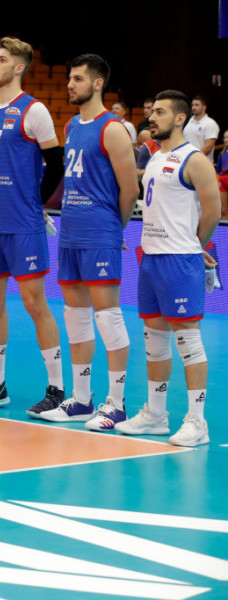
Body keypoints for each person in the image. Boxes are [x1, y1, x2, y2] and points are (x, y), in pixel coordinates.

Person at [0, 38, 65, 411]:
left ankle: (57, 389)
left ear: (19, 67)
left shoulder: (34, 110)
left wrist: (36, 203)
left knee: (35, 302)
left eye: (2, 60)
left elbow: (56, 164)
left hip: (23, 225)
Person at [35, 54, 138, 429]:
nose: (69, 84)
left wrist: (113, 229)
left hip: (99, 234)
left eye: (77, 78)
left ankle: (117, 404)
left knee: (108, 318)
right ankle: (81, 399)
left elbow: (130, 190)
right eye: (69, 78)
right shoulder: (72, 125)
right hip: (70, 232)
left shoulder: (113, 129)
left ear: (97, 83)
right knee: (75, 318)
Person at [115, 90, 221, 447]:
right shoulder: (155, 158)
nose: (152, 116)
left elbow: (213, 211)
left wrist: (194, 245)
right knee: (154, 338)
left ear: (180, 118)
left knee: (188, 338)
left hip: (179, 259)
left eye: (160, 111)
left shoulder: (194, 159)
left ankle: (197, 421)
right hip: (151, 257)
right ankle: (156, 415)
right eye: (152, 111)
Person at [183, 96, 219, 164]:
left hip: (202, 163)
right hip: (185, 162)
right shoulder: (187, 122)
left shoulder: (210, 123)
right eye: (193, 105)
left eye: (197, 105)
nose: (194, 107)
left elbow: (208, 147)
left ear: (204, 107)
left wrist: (192, 157)